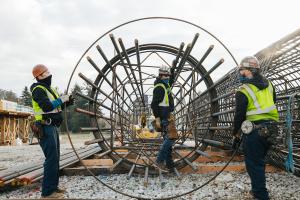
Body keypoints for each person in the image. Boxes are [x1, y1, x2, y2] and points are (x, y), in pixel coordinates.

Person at [232, 56, 279, 200]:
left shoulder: (244, 90)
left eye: (242, 70)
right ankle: (257, 190)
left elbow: (239, 115)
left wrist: (235, 134)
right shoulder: (270, 84)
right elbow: (273, 102)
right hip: (272, 129)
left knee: (254, 164)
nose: (240, 73)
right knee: (259, 161)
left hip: (256, 131)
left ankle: (261, 195)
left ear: (250, 71)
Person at [30, 64, 74, 198]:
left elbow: (56, 106)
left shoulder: (49, 89)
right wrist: (62, 99)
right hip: (44, 127)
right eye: (46, 72)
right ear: (39, 76)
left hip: (52, 126)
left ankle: (53, 188)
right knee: (51, 159)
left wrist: (67, 102)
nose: (49, 74)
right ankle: (47, 193)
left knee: (55, 158)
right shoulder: (38, 89)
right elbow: (47, 106)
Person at [151, 65, 175, 171]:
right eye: (166, 76)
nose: (168, 78)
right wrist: (157, 119)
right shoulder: (160, 87)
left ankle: (169, 164)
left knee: (167, 139)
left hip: (167, 115)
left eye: (169, 76)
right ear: (161, 76)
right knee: (171, 138)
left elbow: (172, 80)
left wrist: (173, 68)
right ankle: (159, 161)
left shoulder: (165, 85)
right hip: (164, 116)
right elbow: (154, 104)